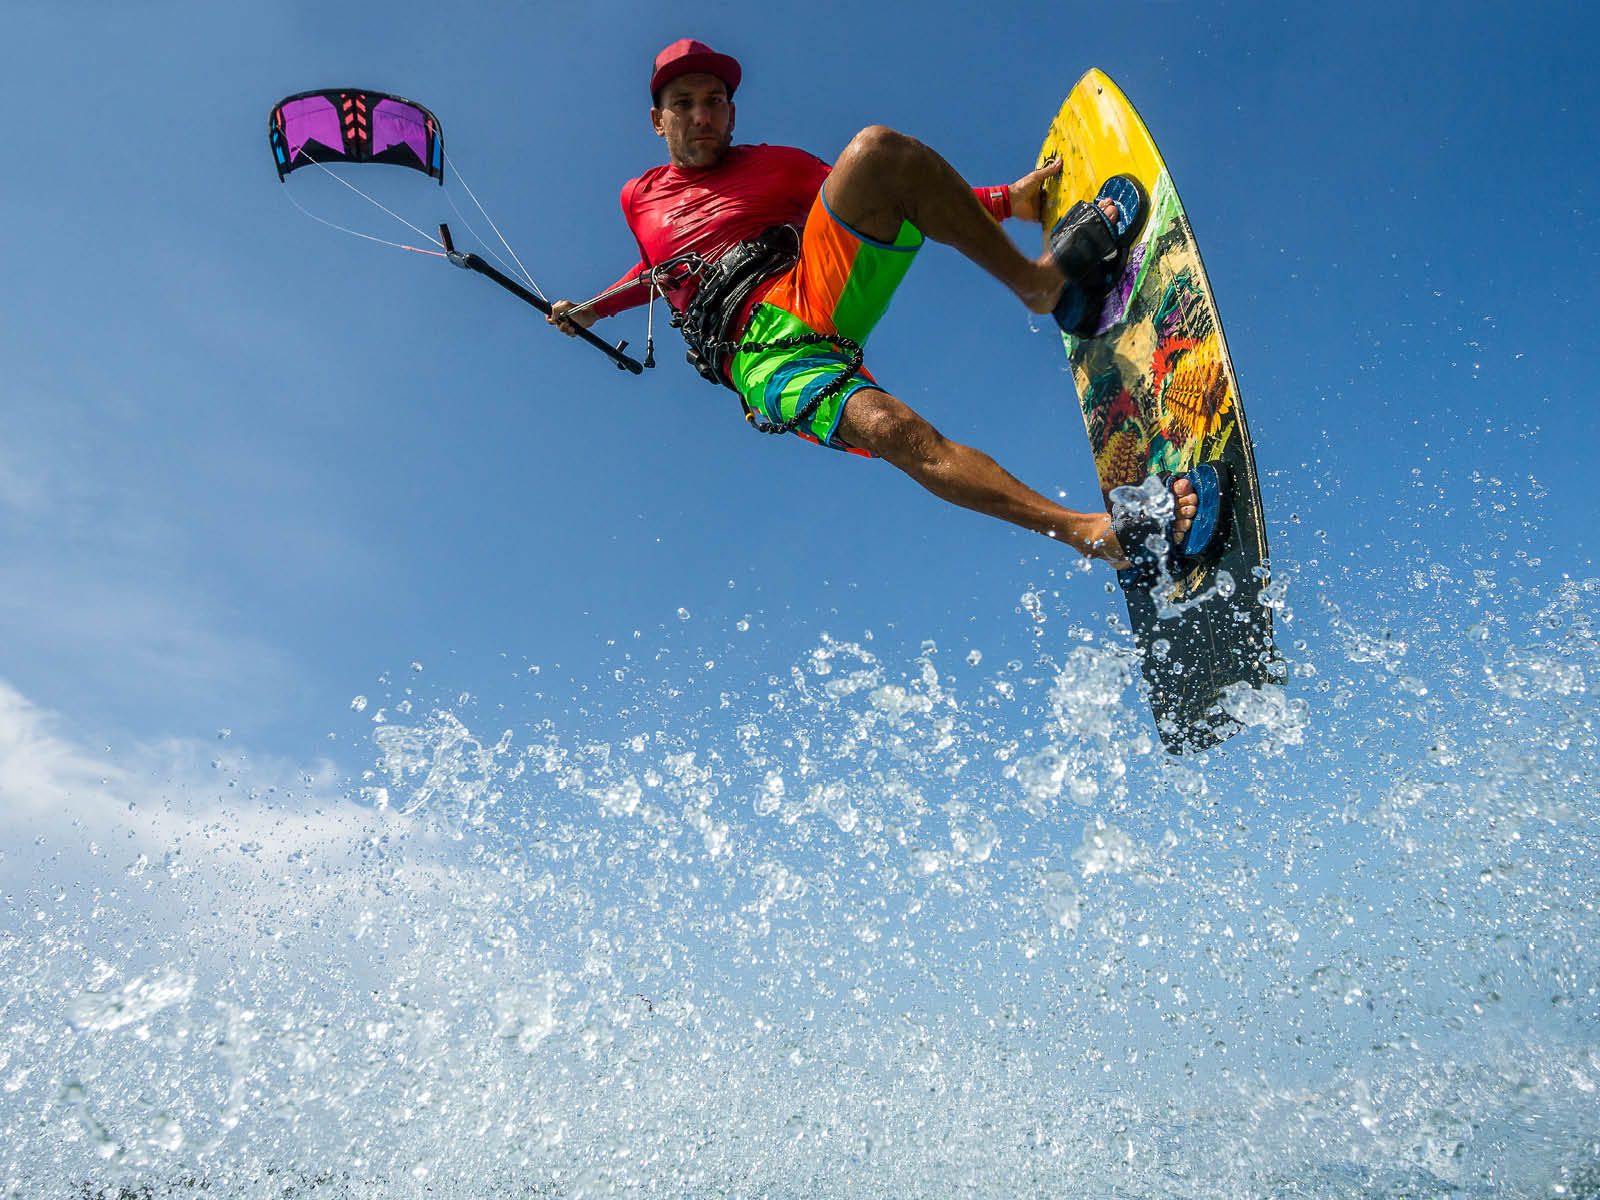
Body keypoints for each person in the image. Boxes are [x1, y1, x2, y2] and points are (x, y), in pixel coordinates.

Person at [549, 38, 1200, 567]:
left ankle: (1038, 283)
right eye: (684, 103)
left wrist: (1008, 200)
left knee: (876, 152)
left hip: (811, 287)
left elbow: (904, 190)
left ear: (732, 112)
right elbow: (657, 270)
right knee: (892, 430)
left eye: (715, 101)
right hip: (759, 356)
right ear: (657, 118)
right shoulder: (639, 196)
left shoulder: (777, 165)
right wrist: (594, 310)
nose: (702, 115)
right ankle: (1096, 534)